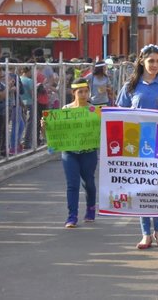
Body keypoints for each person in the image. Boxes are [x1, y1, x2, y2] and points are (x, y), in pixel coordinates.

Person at [116, 44, 158, 249]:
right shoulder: (131, 86)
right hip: (136, 144)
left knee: (157, 189)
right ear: (142, 61)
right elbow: (119, 113)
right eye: (151, 60)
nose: (154, 65)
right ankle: (145, 234)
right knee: (142, 189)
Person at [47, 78, 98, 228]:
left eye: (86, 91)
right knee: (72, 184)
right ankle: (72, 216)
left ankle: (90, 208)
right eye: (80, 92)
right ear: (73, 93)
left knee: (88, 182)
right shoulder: (65, 110)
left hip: (88, 152)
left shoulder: (94, 111)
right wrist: (45, 126)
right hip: (70, 153)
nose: (83, 94)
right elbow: (55, 132)